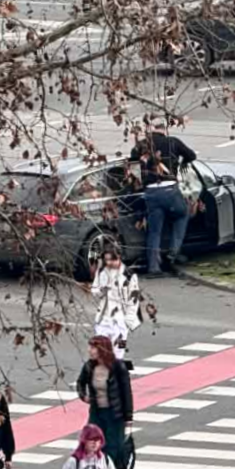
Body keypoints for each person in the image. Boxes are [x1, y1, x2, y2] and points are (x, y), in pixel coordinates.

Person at [131, 119, 195, 276]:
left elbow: (132, 162)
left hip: (151, 193)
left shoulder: (142, 145)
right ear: (164, 129)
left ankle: (153, 267)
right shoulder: (173, 142)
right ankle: (173, 253)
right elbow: (191, 155)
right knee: (182, 214)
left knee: (154, 231)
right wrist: (182, 162)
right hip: (170, 190)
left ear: (151, 130)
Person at [76, 337, 133, 469]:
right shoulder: (89, 366)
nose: (89, 351)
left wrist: (128, 417)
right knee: (91, 441)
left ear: (102, 349)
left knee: (113, 445)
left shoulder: (118, 367)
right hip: (97, 412)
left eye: (93, 348)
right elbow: (80, 383)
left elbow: (126, 393)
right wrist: (84, 396)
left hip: (114, 414)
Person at [90, 250, 142, 363]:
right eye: (106, 260)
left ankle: (117, 373)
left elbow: (133, 299)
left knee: (119, 351)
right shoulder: (102, 271)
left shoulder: (129, 274)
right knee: (100, 348)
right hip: (103, 317)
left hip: (121, 320)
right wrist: (101, 290)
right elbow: (94, 290)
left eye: (112, 260)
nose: (109, 263)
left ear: (119, 257)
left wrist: (129, 320)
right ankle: (103, 373)